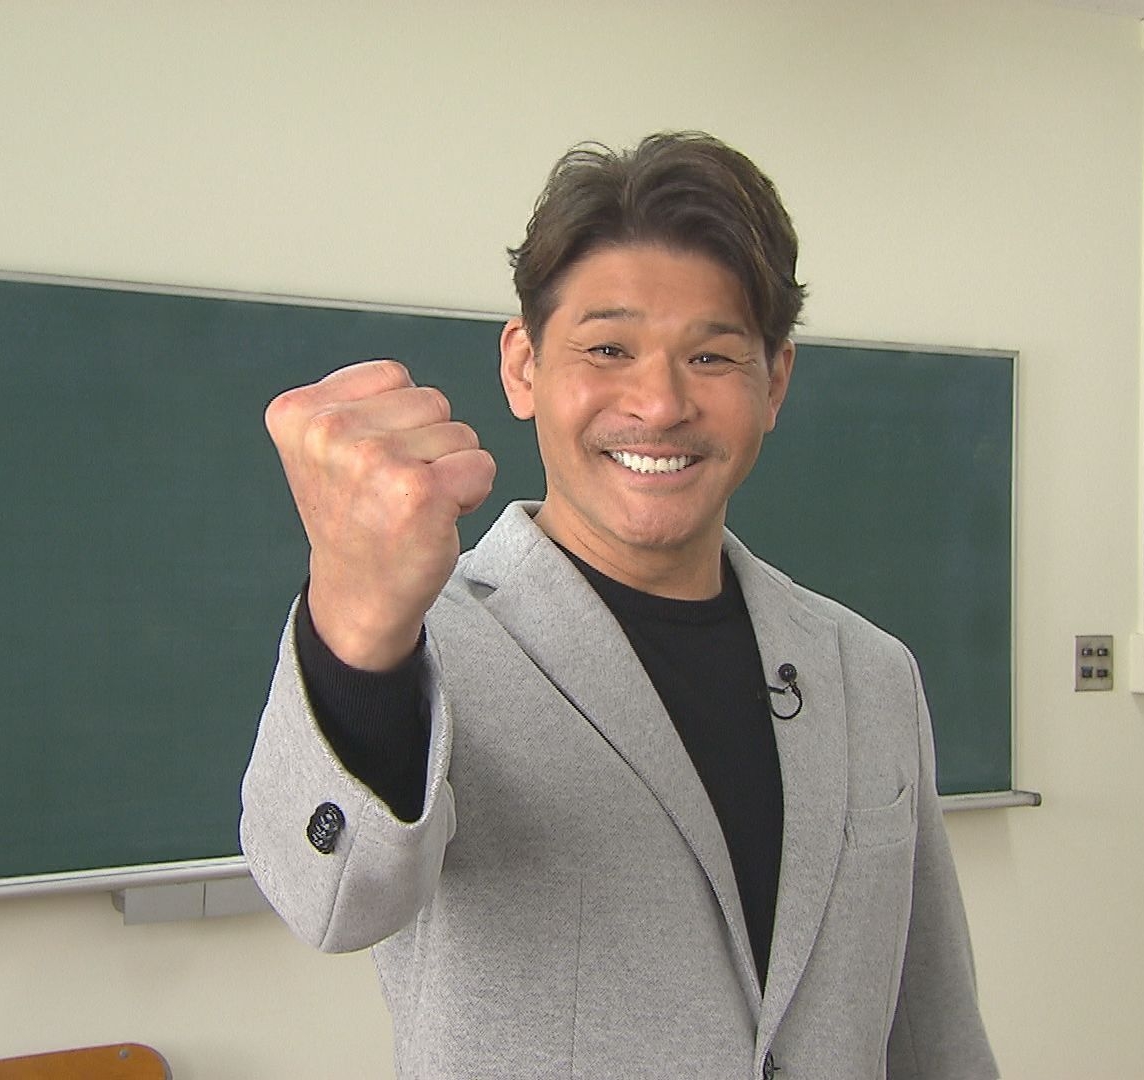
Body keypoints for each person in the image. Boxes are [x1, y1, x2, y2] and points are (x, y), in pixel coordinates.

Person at [240, 131, 999, 1079]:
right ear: (524, 366)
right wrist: (355, 618)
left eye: (712, 356)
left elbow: (933, 1030)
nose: (660, 403)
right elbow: (329, 897)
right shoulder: (420, 651)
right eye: (608, 348)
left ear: (775, 382)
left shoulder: (870, 673)